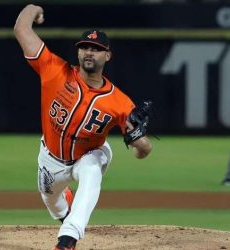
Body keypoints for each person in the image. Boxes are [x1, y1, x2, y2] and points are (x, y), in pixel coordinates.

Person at [14, 4, 152, 250]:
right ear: (78, 53)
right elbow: (21, 29)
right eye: (85, 48)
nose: (90, 52)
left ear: (107, 56)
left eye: (97, 49)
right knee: (53, 204)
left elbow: (141, 151)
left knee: (91, 169)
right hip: (50, 160)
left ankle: (68, 240)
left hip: (89, 155)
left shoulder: (120, 102)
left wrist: (140, 141)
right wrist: (31, 8)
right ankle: (66, 205)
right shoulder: (54, 70)